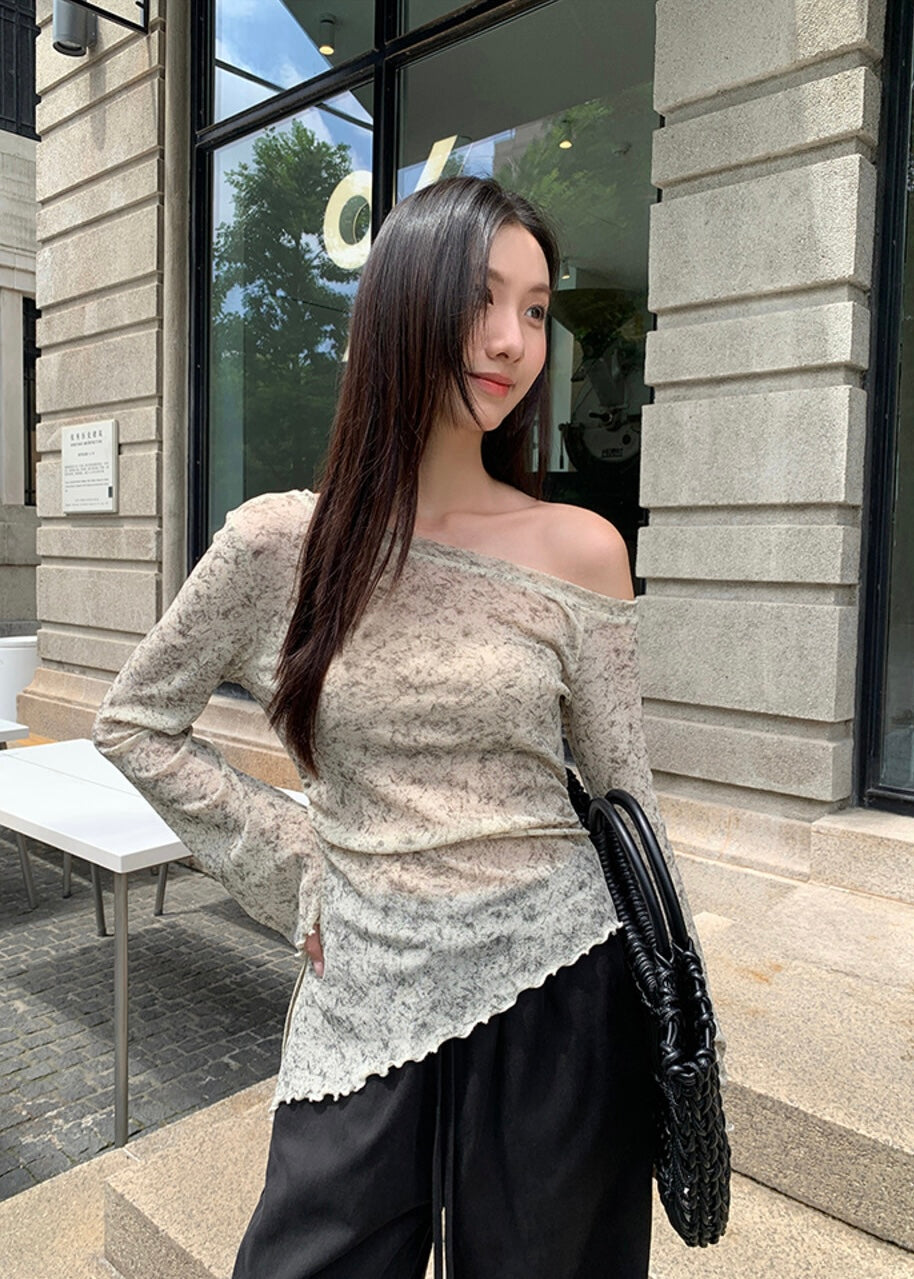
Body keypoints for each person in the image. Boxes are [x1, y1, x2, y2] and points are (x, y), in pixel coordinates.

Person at [93, 176, 718, 1279]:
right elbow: (135, 723)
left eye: (536, 309)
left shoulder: (580, 549)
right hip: (364, 986)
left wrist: (675, 1003)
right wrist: (297, 864)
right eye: (483, 298)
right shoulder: (279, 544)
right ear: (402, 302)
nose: (513, 339)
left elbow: (629, 801)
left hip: (560, 982)